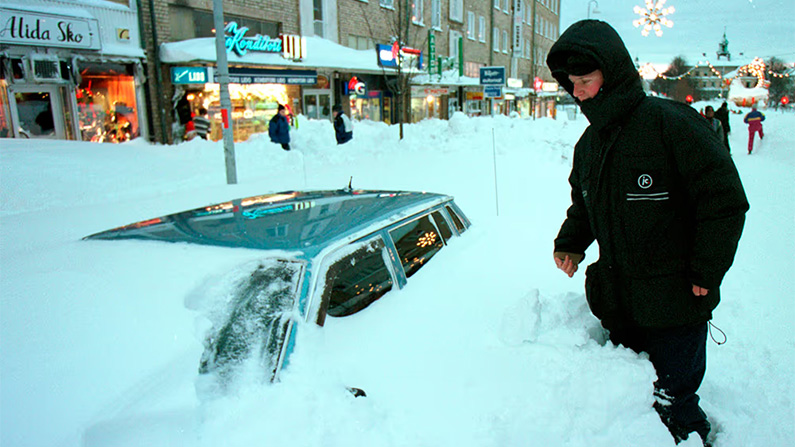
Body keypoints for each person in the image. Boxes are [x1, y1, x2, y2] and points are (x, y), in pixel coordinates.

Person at [547, 20, 749, 446]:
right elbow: (583, 204)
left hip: (676, 301)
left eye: (585, 80)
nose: (577, 91)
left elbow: (724, 202)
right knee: (632, 402)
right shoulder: (590, 144)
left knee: (674, 404)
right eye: (572, 83)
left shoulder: (671, 124)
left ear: (614, 72)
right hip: (619, 303)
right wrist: (570, 242)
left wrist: (706, 269)